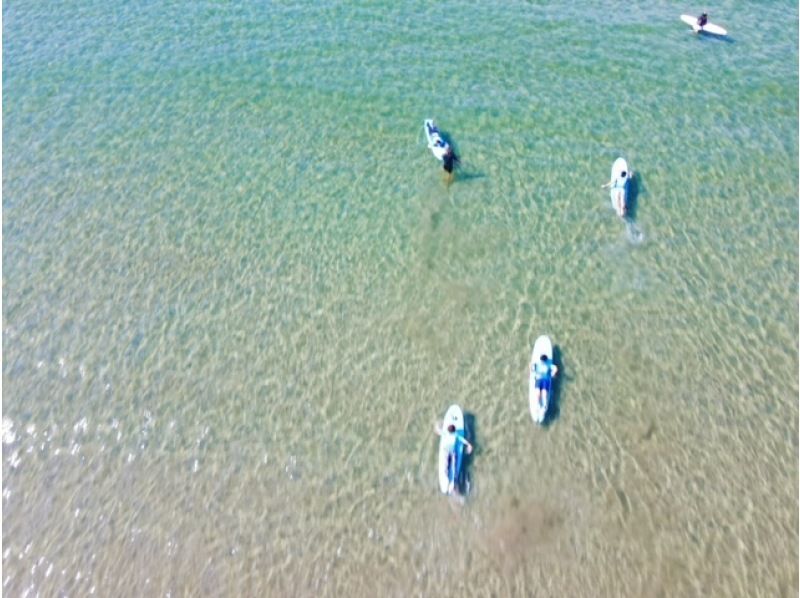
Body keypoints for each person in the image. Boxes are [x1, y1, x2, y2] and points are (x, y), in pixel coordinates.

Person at [434, 421, 473, 494]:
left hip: (446, 451)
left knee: (446, 465)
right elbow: (462, 440)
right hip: (452, 452)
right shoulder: (456, 435)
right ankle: (453, 481)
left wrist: (437, 427)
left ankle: (446, 477)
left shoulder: (445, 433)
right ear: (454, 430)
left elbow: (438, 432)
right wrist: (468, 444)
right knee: (453, 465)